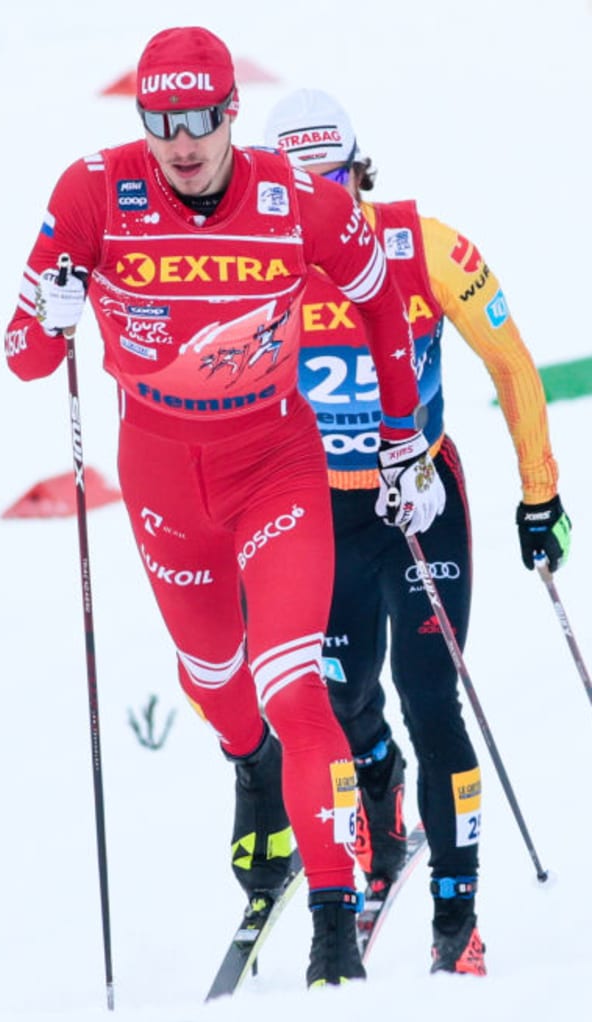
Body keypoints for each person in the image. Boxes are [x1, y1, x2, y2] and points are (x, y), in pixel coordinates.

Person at [4, 30, 447, 989]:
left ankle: (334, 927)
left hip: (276, 466)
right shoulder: (92, 191)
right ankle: (253, 773)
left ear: (232, 112)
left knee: (296, 685)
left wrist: (401, 437)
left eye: (200, 118)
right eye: (160, 121)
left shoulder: (296, 199)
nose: (181, 142)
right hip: (162, 479)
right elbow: (25, 358)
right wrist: (49, 312)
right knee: (214, 677)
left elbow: (383, 301)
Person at [264, 88, 572, 976]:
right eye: (296, 188)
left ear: (357, 173)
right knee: (336, 696)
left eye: (331, 182)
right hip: (321, 509)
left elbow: (510, 361)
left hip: (419, 498)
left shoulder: (422, 246)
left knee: (433, 696)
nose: (318, 205)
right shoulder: (257, 267)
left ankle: (456, 915)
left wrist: (540, 495)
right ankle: (380, 791)